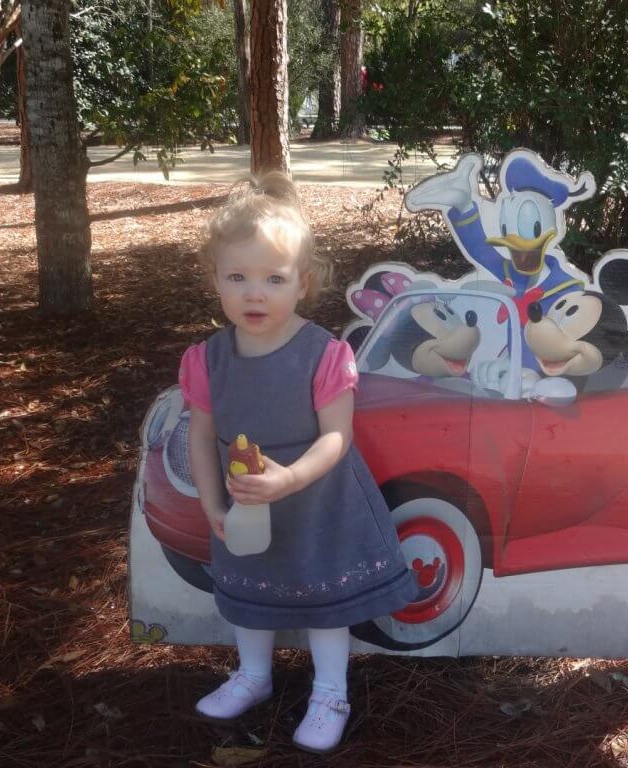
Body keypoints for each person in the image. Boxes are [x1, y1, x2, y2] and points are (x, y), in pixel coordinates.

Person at [178, 172, 417, 753]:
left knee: (323, 598)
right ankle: (254, 677)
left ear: (302, 283)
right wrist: (211, 501)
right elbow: (202, 433)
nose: (253, 294)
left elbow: (337, 438)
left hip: (315, 499)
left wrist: (289, 478)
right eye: (237, 277)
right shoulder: (208, 358)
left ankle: (331, 691)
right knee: (247, 590)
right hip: (247, 502)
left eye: (273, 279)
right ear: (215, 279)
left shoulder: (323, 354)